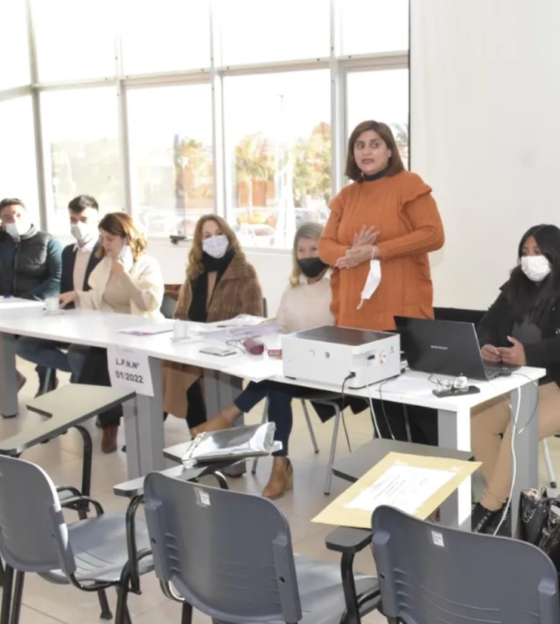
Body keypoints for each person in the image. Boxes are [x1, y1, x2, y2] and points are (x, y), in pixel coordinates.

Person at [472, 225, 560, 534]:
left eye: (537, 252)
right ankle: (518, 501)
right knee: (477, 420)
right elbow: (489, 322)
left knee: (519, 427)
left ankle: (491, 507)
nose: (529, 259)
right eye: (524, 252)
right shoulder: (518, 281)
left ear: (555, 252)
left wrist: (529, 356)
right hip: (521, 383)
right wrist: (485, 344)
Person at [318, 119, 445, 445]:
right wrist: (352, 252)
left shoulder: (408, 184)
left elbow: (433, 234)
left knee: (415, 406)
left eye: (374, 144)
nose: (366, 151)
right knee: (381, 407)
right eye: (359, 145)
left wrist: (376, 251)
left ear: (390, 150)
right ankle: (389, 472)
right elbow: (324, 247)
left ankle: (436, 476)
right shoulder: (346, 196)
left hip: (399, 314)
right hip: (356, 317)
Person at [191, 222, 338, 499]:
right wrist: (254, 334)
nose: (307, 256)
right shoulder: (293, 290)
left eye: (314, 249)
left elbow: (340, 334)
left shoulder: (339, 288)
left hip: (327, 372)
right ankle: (280, 465)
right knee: (277, 386)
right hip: (291, 370)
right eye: (301, 250)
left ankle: (228, 417)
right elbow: (280, 328)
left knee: (276, 383)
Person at [58, 212, 164, 453]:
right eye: (102, 239)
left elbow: (149, 303)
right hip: (112, 332)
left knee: (104, 360)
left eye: (109, 239)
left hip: (142, 334)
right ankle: (107, 421)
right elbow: (98, 297)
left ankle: (109, 422)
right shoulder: (106, 262)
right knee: (94, 357)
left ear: (126, 238)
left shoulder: (147, 263)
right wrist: (76, 295)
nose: (104, 245)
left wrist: (124, 276)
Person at [161, 214, 262, 430]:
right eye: (207, 235)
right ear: (200, 242)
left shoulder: (245, 272)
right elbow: (180, 315)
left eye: (218, 233)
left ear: (228, 236)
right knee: (170, 367)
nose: (214, 239)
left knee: (182, 374)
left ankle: (198, 431)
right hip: (195, 349)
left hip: (229, 350)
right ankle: (199, 431)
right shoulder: (195, 272)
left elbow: (254, 318)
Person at [0, 198, 62, 395]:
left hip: (38, 312)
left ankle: (46, 385)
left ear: (27, 216)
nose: (13, 219)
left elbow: (58, 277)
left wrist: (25, 302)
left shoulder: (47, 241)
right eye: (7, 217)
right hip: (4, 315)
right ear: (1, 223)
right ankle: (9, 378)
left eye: (18, 214)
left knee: (38, 343)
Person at [16, 195, 103, 393]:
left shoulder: (104, 252)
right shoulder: (67, 253)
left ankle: (84, 383)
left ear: (97, 221)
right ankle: (82, 373)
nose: (77, 225)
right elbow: (65, 291)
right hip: (71, 321)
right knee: (25, 345)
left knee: (77, 354)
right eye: (73, 219)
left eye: (83, 220)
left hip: (97, 322)